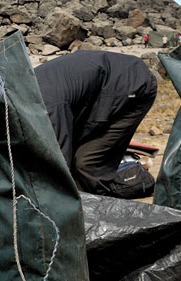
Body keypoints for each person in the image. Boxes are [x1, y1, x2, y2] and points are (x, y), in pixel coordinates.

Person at [34, 51, 157, 196]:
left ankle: (96, 212)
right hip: (101, 86)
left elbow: (59, 161)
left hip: (133, 86)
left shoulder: (48, 105)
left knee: (88, 163)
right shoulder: (24, 91)